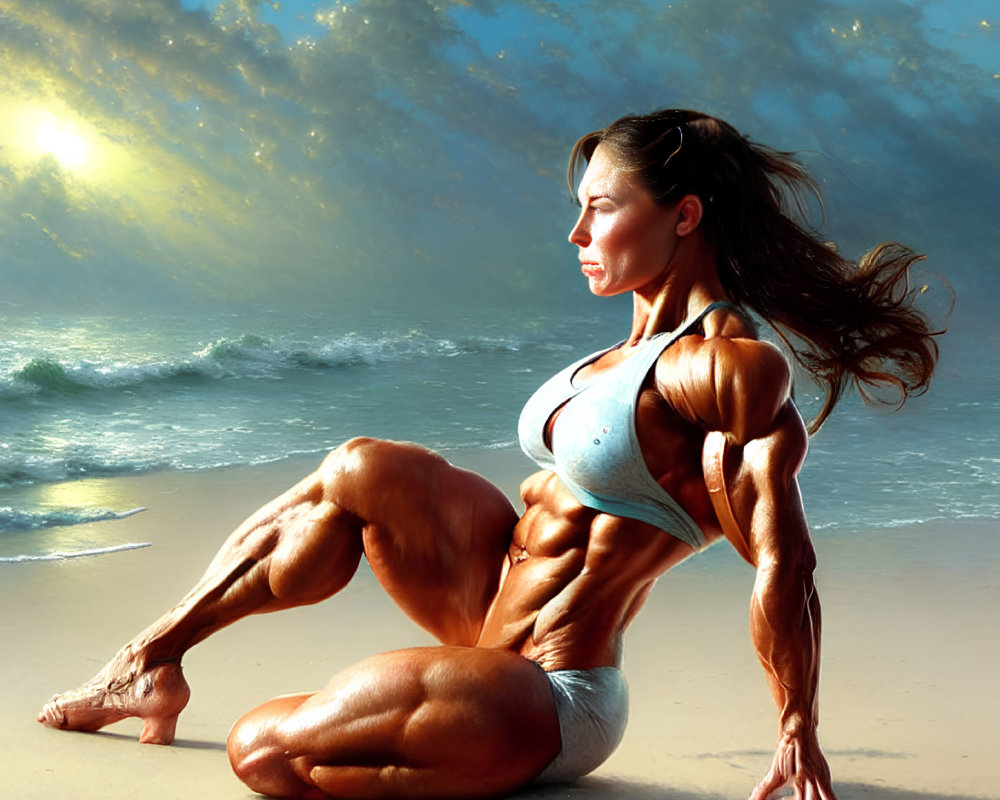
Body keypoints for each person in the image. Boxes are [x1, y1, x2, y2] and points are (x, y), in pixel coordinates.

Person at [38, 109, 940, 800]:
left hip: (553, 694)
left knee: (263, 751)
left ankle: (452, 734)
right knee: (362, 464)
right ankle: (148, 661)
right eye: (578, 210)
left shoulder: (730, 369)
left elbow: (785, 557)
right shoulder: (612, 358)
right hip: (488, 620)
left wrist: (798, 726)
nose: (578, 235)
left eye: (601, 208)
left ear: (684, 216)